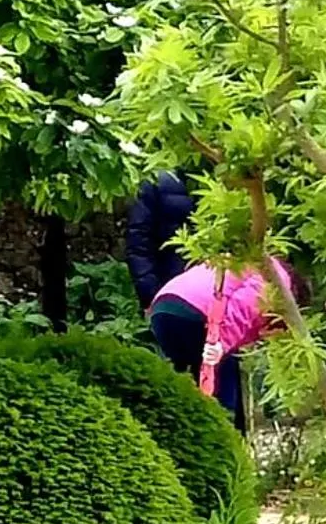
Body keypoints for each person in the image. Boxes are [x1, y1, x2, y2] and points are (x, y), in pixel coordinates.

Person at [147, 258, 297, 428]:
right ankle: (223, 440)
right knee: (223, 398)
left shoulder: (246, 261)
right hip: (199, 312)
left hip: (164, 309)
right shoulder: (277, 278)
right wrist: (221, 342)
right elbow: (245, 305)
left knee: (189, 390)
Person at [124, 170, 193, 310]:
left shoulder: (237, 175)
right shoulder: (156, 181)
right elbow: (139, 243)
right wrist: (150, 296)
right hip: (173, 294)